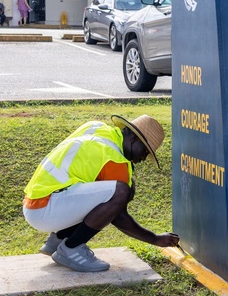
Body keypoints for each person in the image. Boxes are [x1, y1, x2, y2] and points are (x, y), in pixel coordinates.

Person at [23, 114, 179, 272]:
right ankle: (71, 248)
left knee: (122, 189)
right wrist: (155, 238)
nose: (143, 158)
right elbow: (119, 216)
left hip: (38, 202)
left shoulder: (95, 127)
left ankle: (59, 239)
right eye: (145, 151)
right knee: (122, 191)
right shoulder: (115, 159)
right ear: (133, 139)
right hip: (46, 209)